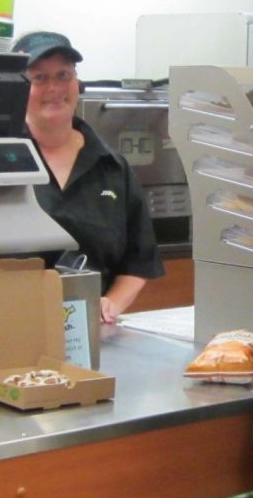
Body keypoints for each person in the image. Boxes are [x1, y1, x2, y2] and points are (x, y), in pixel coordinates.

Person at [13, 31, 164, 323]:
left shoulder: (112, 168)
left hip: (92, 332)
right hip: (16, 327)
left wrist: (111, 304)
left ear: (77, 83)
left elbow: (138, 260)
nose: (54, 87)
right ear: (17, 88)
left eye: (63, 74)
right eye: (39, 78)